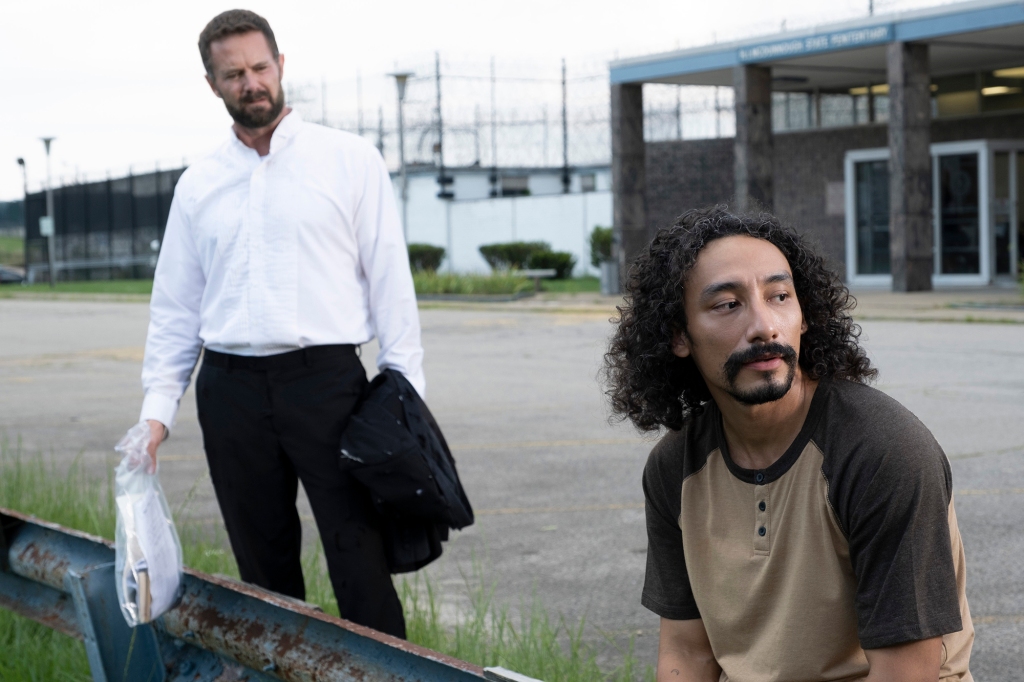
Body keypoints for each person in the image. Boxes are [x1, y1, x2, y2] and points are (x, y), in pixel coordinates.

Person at [138, 9, 422, 638]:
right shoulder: (198, 186)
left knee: (361, 561)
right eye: (233, 73)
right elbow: (176, 311)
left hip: (328, 384)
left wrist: (405, 390)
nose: (251, 83)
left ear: (281, 66)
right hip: (229, 389)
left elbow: (391, 284)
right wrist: (156, 415)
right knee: (263, 571)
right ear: (213, 83)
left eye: (260, 67)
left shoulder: (349, 160)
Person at [604, 206, 973, 681]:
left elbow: (906, 674)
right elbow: (687, 654)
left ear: (804, 316)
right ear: (679, 335)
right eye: (727, 305)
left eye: (779, 296)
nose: (764, 325)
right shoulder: (675, 469)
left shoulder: (883, 451)